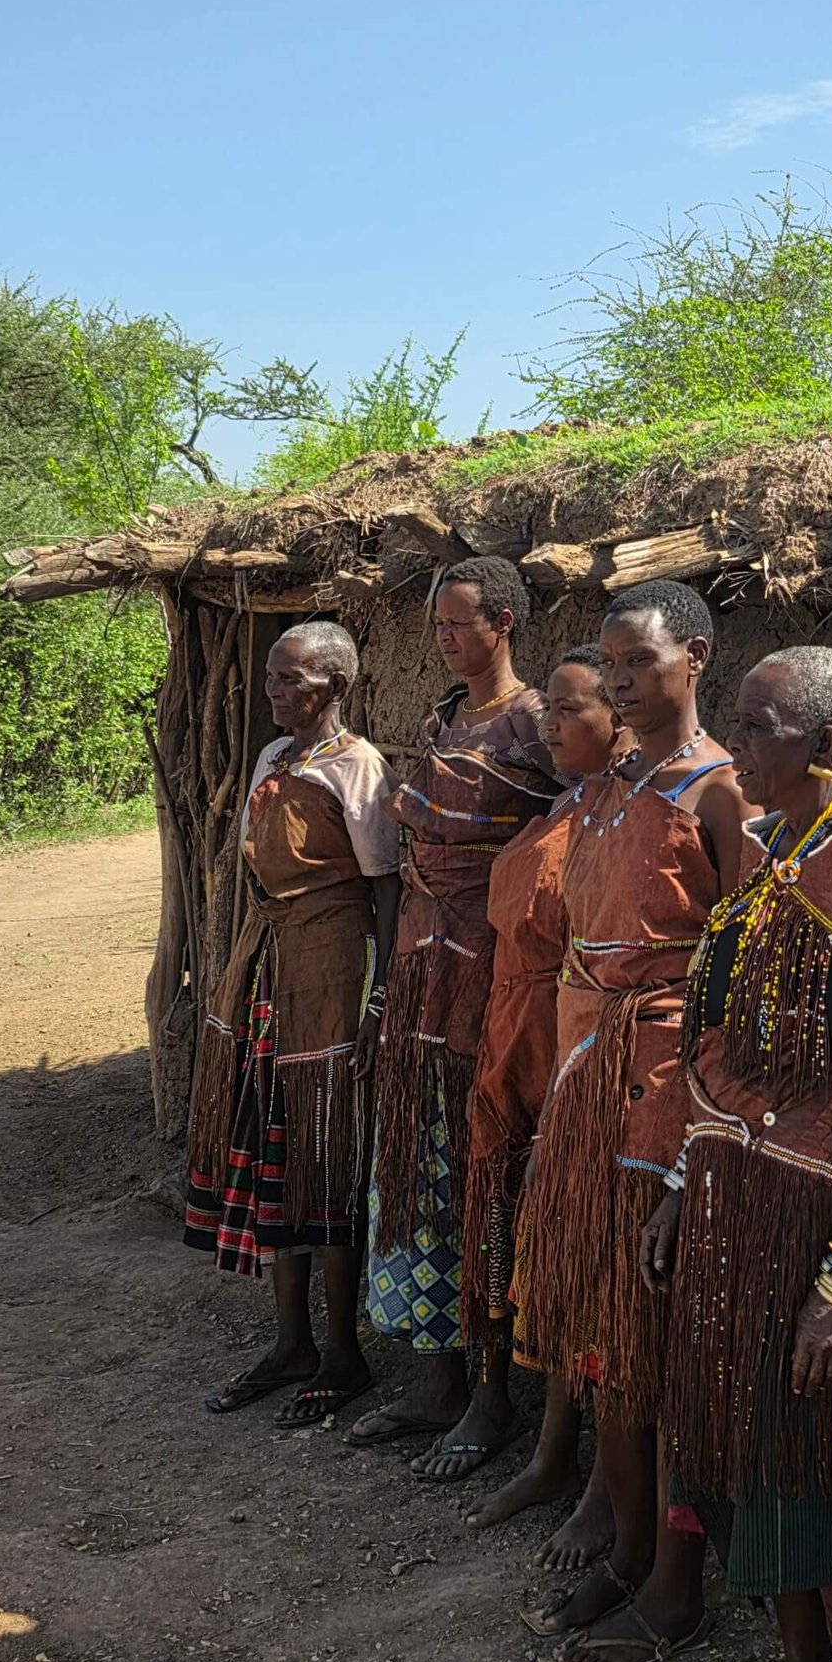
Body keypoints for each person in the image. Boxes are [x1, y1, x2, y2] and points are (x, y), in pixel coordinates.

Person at [640, 646, 832, 1662]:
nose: (737, 746)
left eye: (756, 728)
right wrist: (686, 1179)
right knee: (755, 1448)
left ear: (824, 744)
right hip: (740, 1195)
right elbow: (726, 1045)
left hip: (816, 1213)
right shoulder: (774, 852)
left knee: (820, 1459)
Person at [513, 579, 756, 1662]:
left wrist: (695, 1137)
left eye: (638, 663)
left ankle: (675, 1582)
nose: (619, 683)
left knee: (657, 1339)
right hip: (592, 1071)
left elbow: (743, 979)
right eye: (608, 666)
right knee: (602, 1329)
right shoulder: (610, 789)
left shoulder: (720, 793)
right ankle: (624, 1547)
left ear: (694, 657)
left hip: (667, 1078)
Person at [413, 644, 630, 1570]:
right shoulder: (564, 807)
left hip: (568, 1051)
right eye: (550, 708)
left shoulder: (627, 819)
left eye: (570, 708)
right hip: (511, 1038)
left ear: (620, 719)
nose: (548, 721)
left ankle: (581, 1471)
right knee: (514, 1238)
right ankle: (524, 1429)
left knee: (576, 1261)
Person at [348, 558, 560, 1452]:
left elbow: (565, 831)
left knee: (486, 1170)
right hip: (422, 966)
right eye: (435, 623)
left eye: (457, 622)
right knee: (421, 1167)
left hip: (491, 973)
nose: (441, 637)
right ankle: (436, 1379)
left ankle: (492, 1389)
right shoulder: (444, 716)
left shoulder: (536, 722)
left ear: (503, 622)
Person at [187, 620, 400, 1428]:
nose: (273, 690)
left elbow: (385, 889)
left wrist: (377, 999)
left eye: (290, 678)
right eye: (272, 677)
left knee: (327, 1149)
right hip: (272, 964)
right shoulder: (274, 759)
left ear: (335, 685)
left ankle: (342, 1353)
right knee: (278, 1145)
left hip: (333, 968)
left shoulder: (358, 766)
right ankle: (291, 1342)